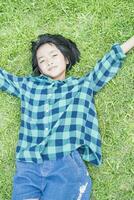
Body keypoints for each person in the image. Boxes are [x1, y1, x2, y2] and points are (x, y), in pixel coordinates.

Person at [0, 34, 134, 200]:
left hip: (64, 164)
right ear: (39, 69)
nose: (48, 61)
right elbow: (3, 78)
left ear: (67, 59)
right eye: (42, 60)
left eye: (54, 55)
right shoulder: (28, 85)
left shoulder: (82, 85)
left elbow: (108, 63)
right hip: (27, 165)